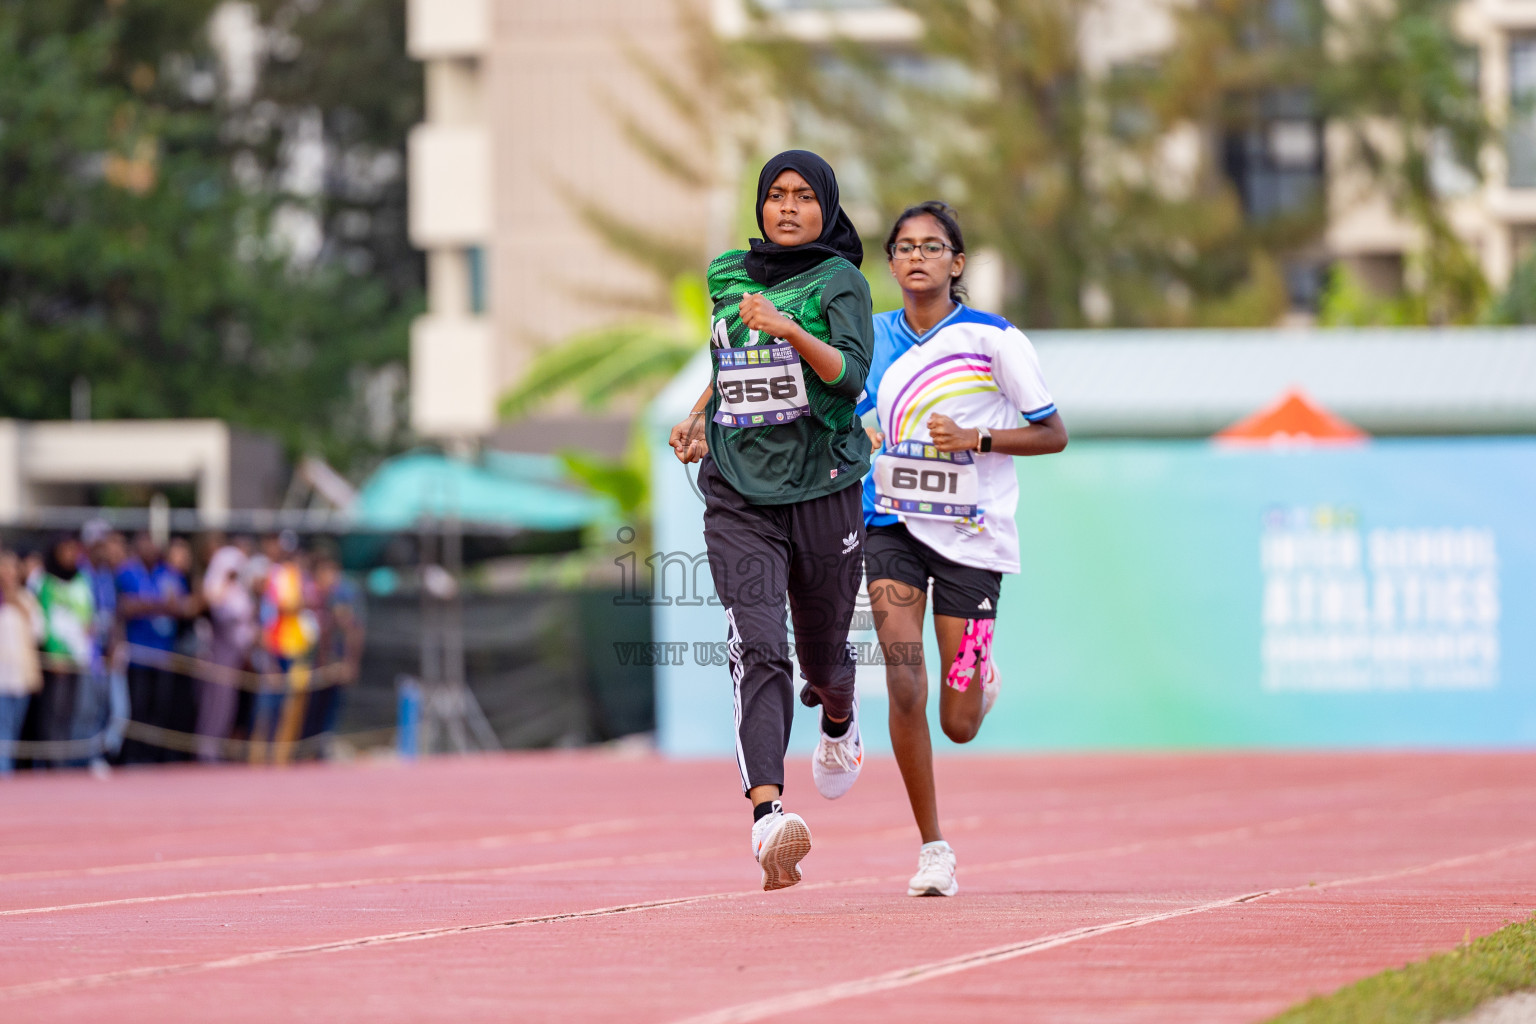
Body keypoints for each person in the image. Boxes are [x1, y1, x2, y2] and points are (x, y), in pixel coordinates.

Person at [669, 150, 873, 890]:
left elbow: (848, 379)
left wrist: (790, 327)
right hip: (738, 490)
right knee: (758, 644)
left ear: (826, 205)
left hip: (821, 486)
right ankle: (768, 818)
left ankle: (840, 720)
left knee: (821, 660)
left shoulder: (842, 282)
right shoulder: (727, 274)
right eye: (776, 196)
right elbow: (729, 363)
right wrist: (698, 417)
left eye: (803, 197)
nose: (787, 208)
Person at [859, 201, 1068, 897]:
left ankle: (980, 677)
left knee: (960, 721)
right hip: (890, 524)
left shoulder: (995, 341)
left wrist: (976, 441)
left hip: (972, 538)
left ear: (957, 262)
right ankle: (933, 849)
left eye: (932, 246)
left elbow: (1053, 432)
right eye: (904, 247)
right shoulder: (869, 338)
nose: (917, 257)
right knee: (901, 676)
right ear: (890, 262)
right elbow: (845, 411)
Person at [32, 535, 97, 767]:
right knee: (54, 710)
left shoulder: (82, 580)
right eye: (65, 550)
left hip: (78, 656)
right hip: (56, 658)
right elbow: (42, 621)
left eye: (74, 550)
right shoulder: (44, 581)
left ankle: (68, 758)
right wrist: (52, 653)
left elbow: (87, 612)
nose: (70, 555)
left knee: (74, 710)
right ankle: (51, 760)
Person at [196, 540, 255, 762]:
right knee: (214, 701)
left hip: (236, 653)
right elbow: (222, 612)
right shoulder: (215, 587)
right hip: (218, 648)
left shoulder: (239, 589)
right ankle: (206, 748)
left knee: (228, 703)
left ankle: (219, 745)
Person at [0, 551, 44, 774]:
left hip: (20, 675)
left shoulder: (27, 598)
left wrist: (19, 605)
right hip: (2, 676)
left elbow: (39, 633)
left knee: (14, 728)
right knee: (2, 728)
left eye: (11, 567)